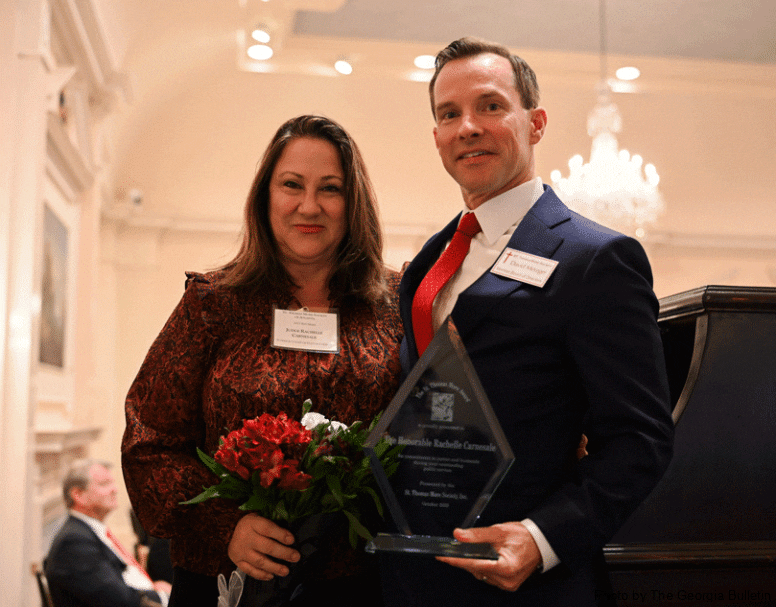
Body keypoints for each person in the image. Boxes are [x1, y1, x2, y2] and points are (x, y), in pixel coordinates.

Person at [381, 37, 675, 607]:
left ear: (535, 123)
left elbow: (639, 440)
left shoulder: (596, 259)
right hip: (416, 579)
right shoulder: (426, 264)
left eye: (490, 106)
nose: (467, 126)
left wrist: (541, 539)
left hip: (530, 589)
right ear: (437, 137)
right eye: (449, 114)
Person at [122, 115, 403, 607]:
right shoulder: (212, 304)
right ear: (264, 196)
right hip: (226, 580)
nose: (308, 205)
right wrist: (226, 525)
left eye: (330, 188)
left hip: (359, 584)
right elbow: (148, 441)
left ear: (353, 202)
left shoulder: (395, 304)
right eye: (291, 184)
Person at [44, 460, 171, 607]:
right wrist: (162, 597)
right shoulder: (74, 542)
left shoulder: (88, 531)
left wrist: (153, 588)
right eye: (104, 484)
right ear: (78, 494)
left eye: (112, 483)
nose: (115, 489)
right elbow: (120, 601)